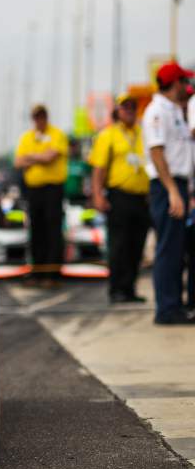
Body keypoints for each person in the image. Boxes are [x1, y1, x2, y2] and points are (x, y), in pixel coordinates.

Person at [143, 61, 195, 324]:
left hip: (179, 185)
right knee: (167, 248)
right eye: (184, 82)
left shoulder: (175, 110)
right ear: (174, 84)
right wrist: (173, 191)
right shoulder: (156, 111)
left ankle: (174, 305)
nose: (187, 86)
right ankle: (166, 309)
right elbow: (156, 152)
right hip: (167, 187)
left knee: (177, 248)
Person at [89, 93, 149, 303]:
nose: (130, 111)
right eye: (126, 107)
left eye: (133, 107)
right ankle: (117, 289)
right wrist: (97, 195)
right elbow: (99, 169)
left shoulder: (143, 133)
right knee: (119, 245)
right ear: (118, 111)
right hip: (119, 196)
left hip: (142, 197)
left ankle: (130, 288)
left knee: (137, 245)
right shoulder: (109, 135)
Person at [14, 104, 68, 284]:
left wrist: (31, 157)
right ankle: (37, 271)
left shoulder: (57, 134)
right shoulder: (27, 137)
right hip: (34, 191)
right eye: (36, 117)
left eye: (42, 116)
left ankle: (53, 273)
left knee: (53, 229)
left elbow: (50, 157)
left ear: (46, 116)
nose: (40, 120)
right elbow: (18, 162)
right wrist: (39, 156)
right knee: (36, 230)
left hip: (53, 189)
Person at [64, 138, 91, 206]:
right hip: (64, 198)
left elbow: (91, 177)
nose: (72, 149)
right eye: (70, 146)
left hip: (80, 198)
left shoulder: (83, 164)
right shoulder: (62, 164)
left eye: (74, 146)